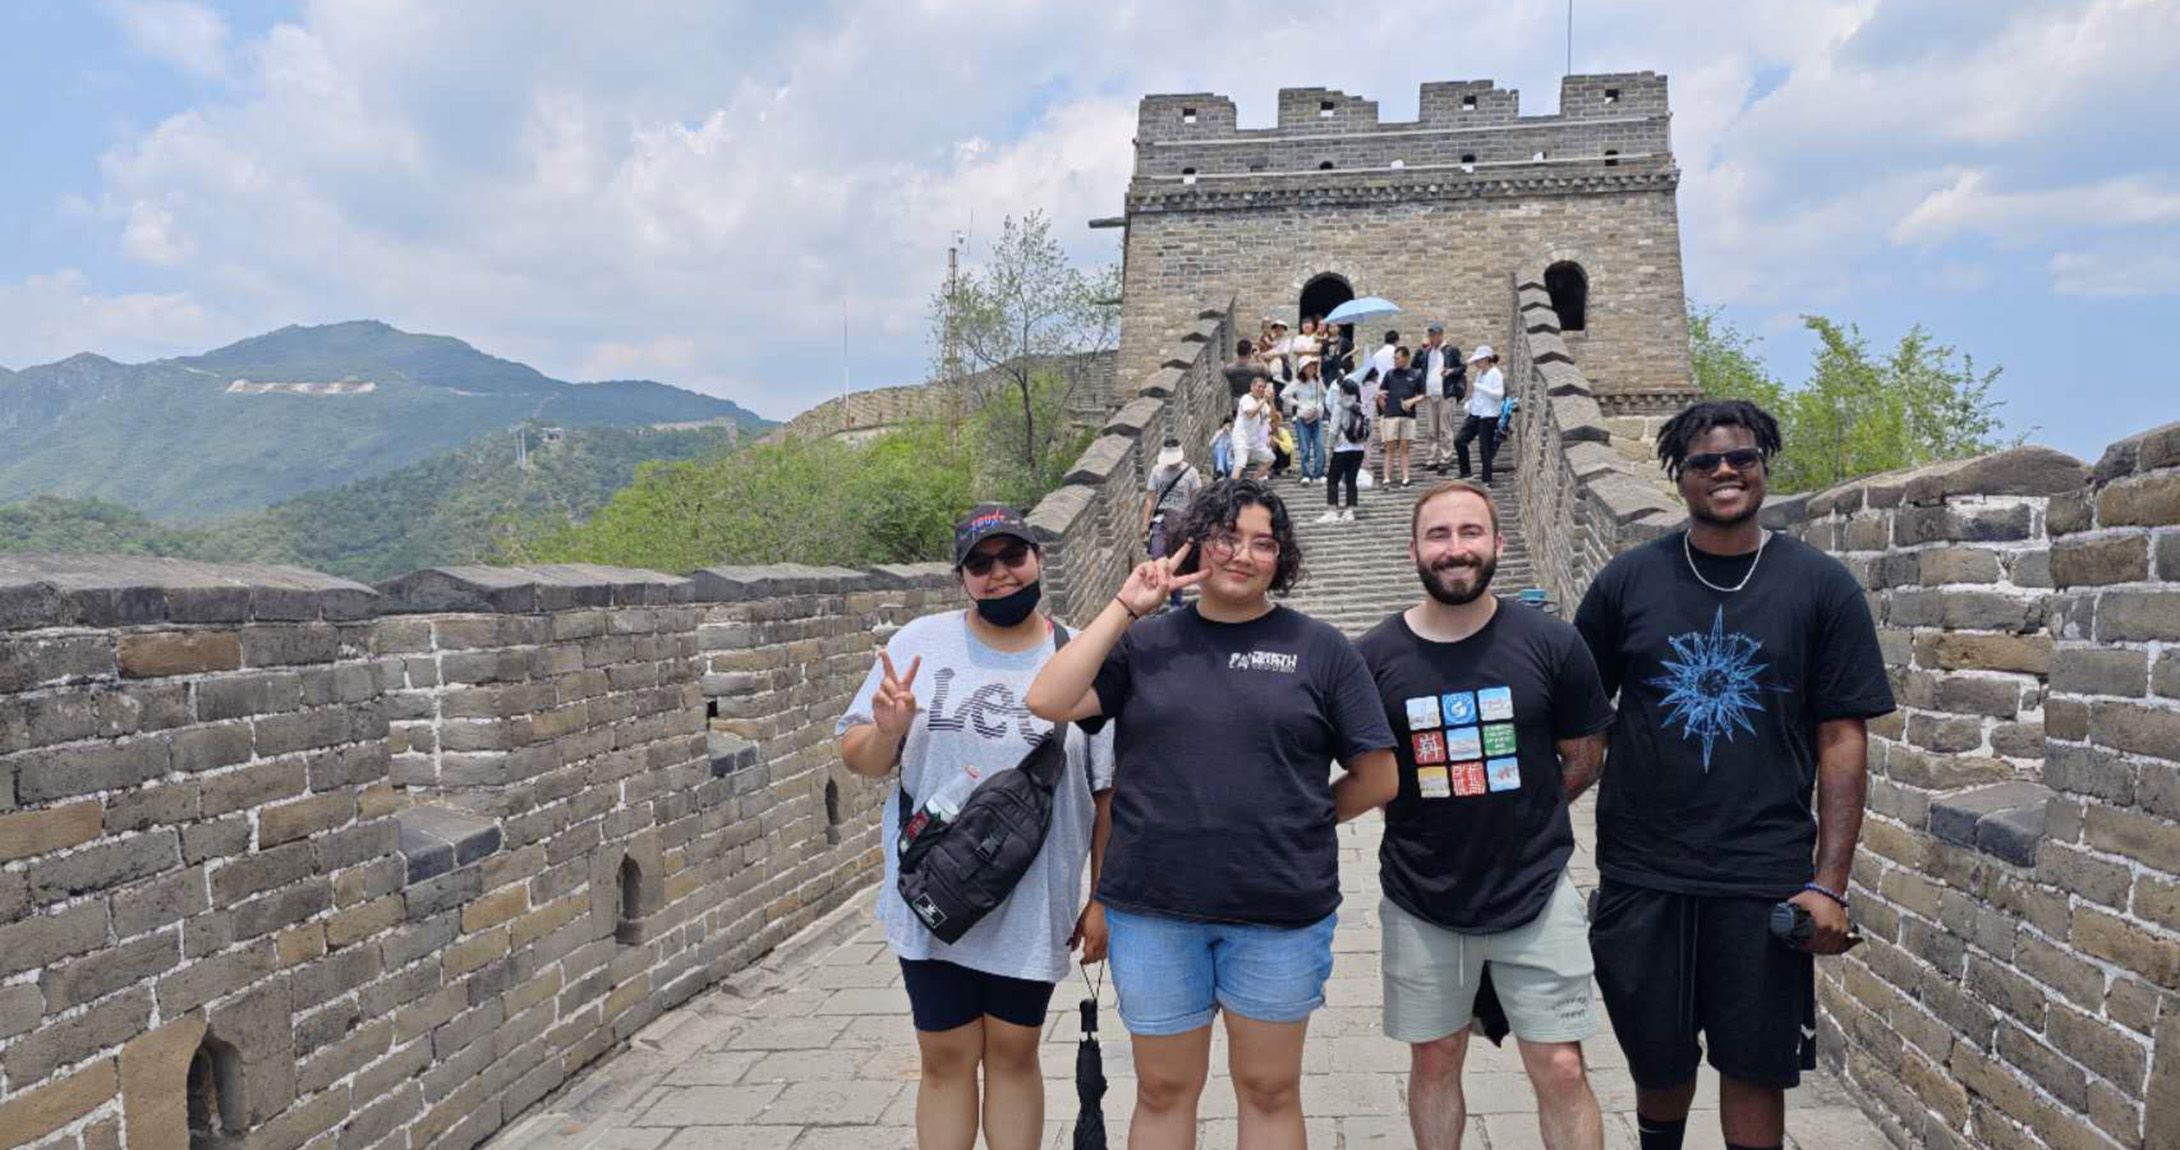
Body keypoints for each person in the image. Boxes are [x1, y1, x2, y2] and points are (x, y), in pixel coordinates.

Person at [1026, 479, 1399, 1150]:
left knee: (1269, 1090)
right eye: (1226, 539)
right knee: (1164, 1092)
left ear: (1280, 559)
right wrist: (1126, 607)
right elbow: (1049, 699)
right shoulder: (1148, 646)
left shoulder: (1320, 650)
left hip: (1279, 911)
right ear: (1196, 544)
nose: (1242, 556)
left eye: (1262, 543)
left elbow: (1379, 776)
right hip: (1156, 910)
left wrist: (1303, 817)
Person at [1573, 400, 1895, 1150]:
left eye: (1742, 458)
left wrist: (1830, 882)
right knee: (1658, 1058)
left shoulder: (1821, 587)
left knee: (1756, 1067)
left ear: (1763, 465)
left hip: (1764, 871)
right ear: (1678, 477)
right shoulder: (1628, 583)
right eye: (1704, 462)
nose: (1725, 471)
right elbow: (1580, 716)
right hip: (1643, 868)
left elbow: (1843, 737)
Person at [836, 504, 1117, 1150]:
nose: (1000, 575)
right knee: (944, 1057)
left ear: (1038, 559)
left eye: (1013, 557)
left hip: (1032, 897)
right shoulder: (918, 645)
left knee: (1016, 1055)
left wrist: (1102, 898)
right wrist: (888, 730)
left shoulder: (1080, 655)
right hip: (933, 896)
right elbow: (860, 759)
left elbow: (1108, 793)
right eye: (980, 564)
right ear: (962, 576)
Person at [1358, 482, 1616, 1150]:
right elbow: (1357, 768)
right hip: (1421, 894)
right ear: (1414, 549)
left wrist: (1531, 813)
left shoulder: (1551, 643)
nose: (1455, 549)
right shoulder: (1373, 658)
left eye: (1470, 533)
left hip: (1535, 889)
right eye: (1439, 536)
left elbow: (1585, 752)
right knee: (1435, 1057)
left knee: (1561, 1065)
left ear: (1497, 544)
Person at [1143, 437, 1205, 602]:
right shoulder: (1157, 471)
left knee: (1176, 561)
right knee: (1157, 556)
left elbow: (1197, 499)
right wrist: (1144, 523)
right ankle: (1156, 597)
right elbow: (1150, 498)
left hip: (1181, 521)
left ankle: (1176, 601)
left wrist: (1196, 523)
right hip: (1160, 519)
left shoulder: (1191, 472)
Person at [1319, 375, 1369, 523]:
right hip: (1358, 449)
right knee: (1351, 481)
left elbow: (1334, 430)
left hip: (1342, 449)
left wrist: (1329, 448)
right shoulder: (1361, 406)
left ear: (1342, 391)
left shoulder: (1339, 405)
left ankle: (1332, 511)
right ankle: (1349, 511)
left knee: (1333, 480)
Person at [1417, 324, 1464, 474]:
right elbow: (1414, 364)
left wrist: (1451, 371)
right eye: (1430, 335)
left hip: (1446, 393)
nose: (1432, 338)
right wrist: (1421, 349)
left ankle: (1445, 458)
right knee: (1431, 429)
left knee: (1445, 427)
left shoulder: (1451, 350)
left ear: (1441, 335)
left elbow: (1462, 367)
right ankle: (1431, 458)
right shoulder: (1427, 352)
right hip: (1430, 394)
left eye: (1434, 335)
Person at [1455, 345, 1505, 485]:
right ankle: (1465, 471)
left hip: (1489, 415)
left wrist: (1481, 388)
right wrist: (1470, 405)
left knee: (1485, 448)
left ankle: (1487, 478)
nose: (1476, 364)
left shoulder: (1496, 374)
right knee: (1460, 440)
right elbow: (1477, 395)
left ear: (1486, 359)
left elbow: (1498, 395)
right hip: (1475, 414)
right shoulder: (1479, 374)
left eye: (1478, 361)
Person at [1378, 346, 1425, 487]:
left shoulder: (1416, 374)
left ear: (1406, 358)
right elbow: (1381, 391)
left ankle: (1406, 476)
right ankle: (1387, 477)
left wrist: (1412, 401)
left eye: (1397, 358)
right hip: (1391, 414)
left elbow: (1423, 394)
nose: (1395, 360)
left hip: (1408, 415)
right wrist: (1381, 400)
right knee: (1389, 446)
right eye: (1394, 358)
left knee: (1405, 447)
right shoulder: (1389, 374)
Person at [1283, 359, 1329, 484]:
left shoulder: (1318, 381)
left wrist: (1320, 404)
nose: (1312, 369)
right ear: (1302, 369)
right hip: (1302, 417)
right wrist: (1298, 404)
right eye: (1309, 366)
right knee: (1304, 447)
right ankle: (1306, 473)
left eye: (1313, 366)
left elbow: (1325, 394)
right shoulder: (1297, 383)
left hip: (1316, 416)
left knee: (1319, 445)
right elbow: (1284, 395)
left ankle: (1319, 473)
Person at [1233, 377, 1276, 479]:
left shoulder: (1263, 403)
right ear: (1252, 387)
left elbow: (1273, 417)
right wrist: (1264, 400)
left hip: (1253, 439)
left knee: (1270, 458)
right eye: (1259, 387)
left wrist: (1272, 402)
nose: (1261, 389)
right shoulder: (1246, 398)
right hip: (1241, 437)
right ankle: (1231, 489)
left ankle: (1253, 481)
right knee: (1240, 464)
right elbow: (1251, 413)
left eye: (1263, 387)